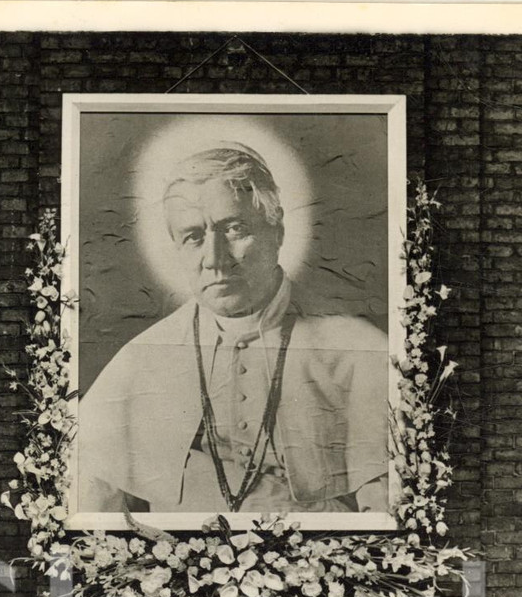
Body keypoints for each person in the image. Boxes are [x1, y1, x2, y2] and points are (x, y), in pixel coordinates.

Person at [76, 143, 389, 515]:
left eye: (235, 228)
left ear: (277, 231)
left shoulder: (357, 351)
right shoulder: (140, 360)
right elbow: (93, 508)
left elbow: (387, 513)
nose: (215, 259)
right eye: (193, 236)